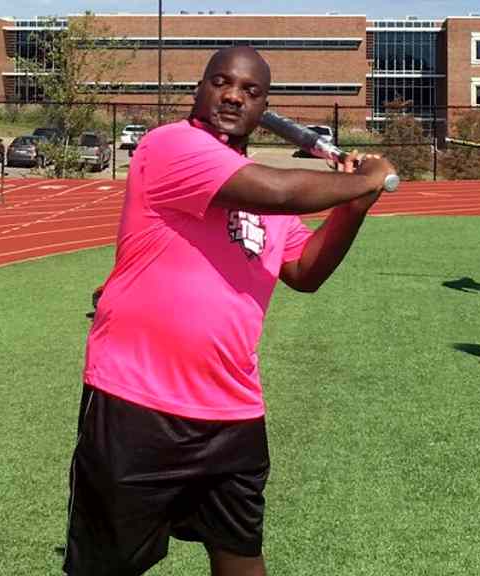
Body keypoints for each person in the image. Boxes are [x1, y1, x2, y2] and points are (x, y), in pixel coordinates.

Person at [64, 46, 396, 576]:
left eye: (250, 90)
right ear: (199, 89)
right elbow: (277, 190)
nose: (234, 95)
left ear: (263, 106)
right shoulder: (171, 147)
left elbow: (305, 272)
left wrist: (355, 207)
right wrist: (363, 180)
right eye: (221, 82)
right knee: (107, 565)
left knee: (240, 557)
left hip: (231, 411)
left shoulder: (263, 192)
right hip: (138, 401)